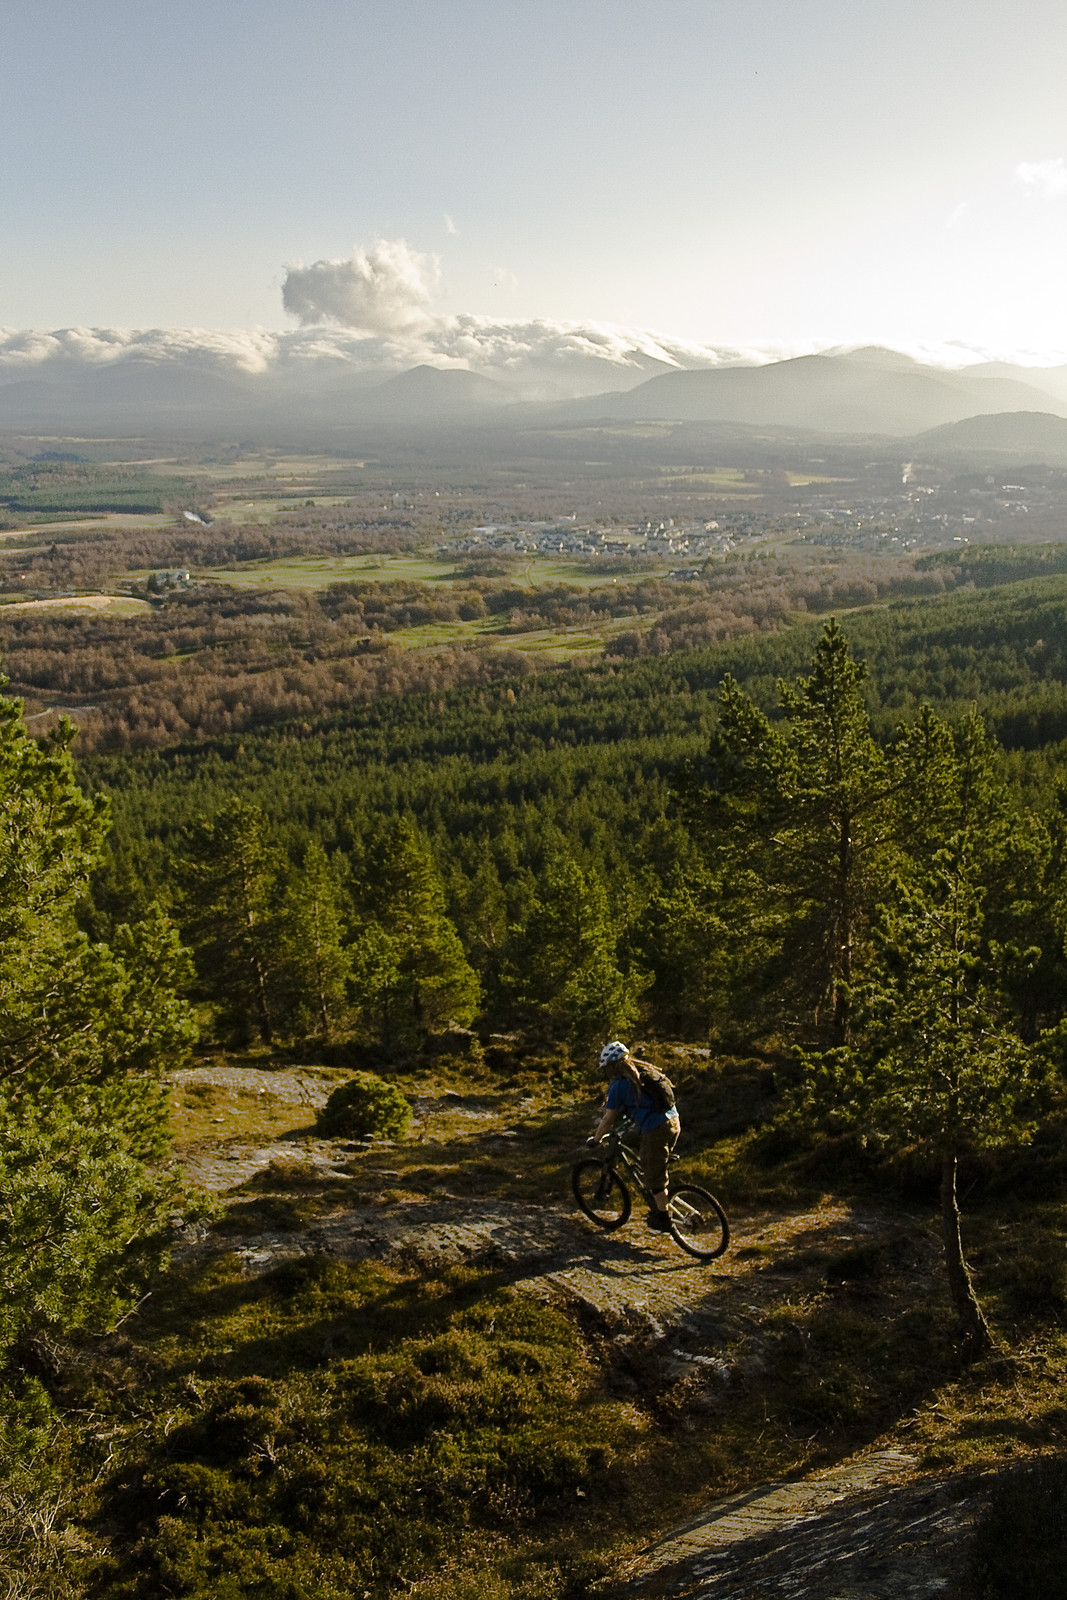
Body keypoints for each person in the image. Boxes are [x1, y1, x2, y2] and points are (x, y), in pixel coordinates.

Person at [590, 1040, 679, 1231]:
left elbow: (608, 1120)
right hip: (673, 1122)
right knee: (652, 1163)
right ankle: (661, 1202)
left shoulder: (619, 1086)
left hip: (656, 1128)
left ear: (612, 1067)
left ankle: (663, 1218)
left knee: (653, 1177)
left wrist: (596, 1139)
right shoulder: (645, 1072)